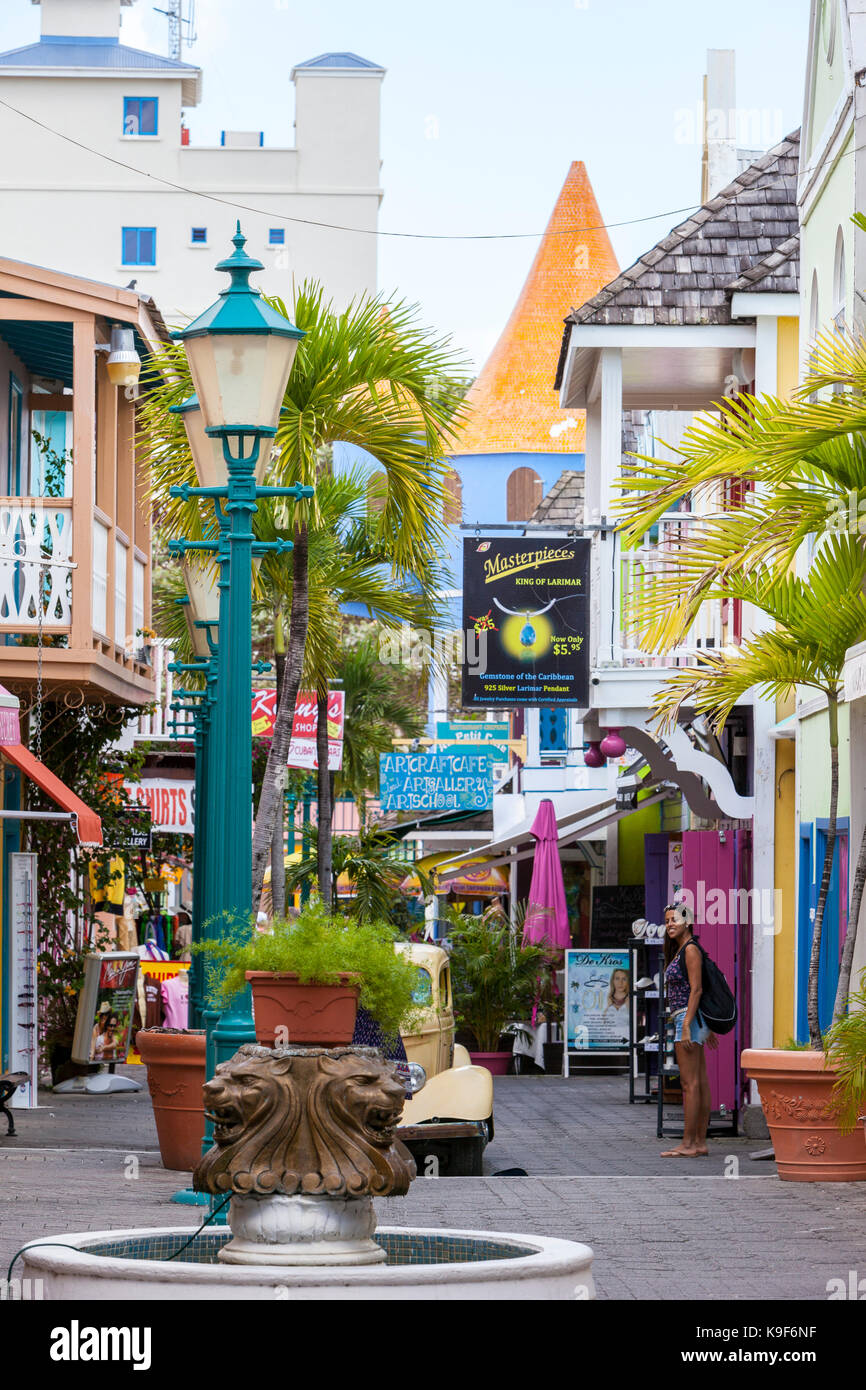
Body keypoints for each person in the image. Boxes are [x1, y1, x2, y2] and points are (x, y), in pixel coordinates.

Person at [660, 902, 718, 1158]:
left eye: (674, 920)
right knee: (699, 1082)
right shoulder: (684, 949)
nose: (670, 924)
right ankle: (699, 1142)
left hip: (687, 1017)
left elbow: (696, 989)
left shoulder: (690, 949)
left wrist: (686, 1026)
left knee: (690, 1084)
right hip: (693, 1019)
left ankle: (688, 1144)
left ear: (688, 921)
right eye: (667, 921)